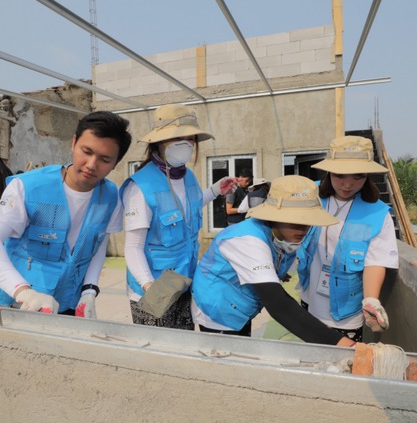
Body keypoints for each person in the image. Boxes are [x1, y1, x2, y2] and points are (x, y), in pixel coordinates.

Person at [0, 111, 132, 316]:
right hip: (16, 304)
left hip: (67, 304)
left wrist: (89, 290)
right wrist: (23, 292)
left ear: (116, 162)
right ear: (73, 143)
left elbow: (98, 246)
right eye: (86, 151)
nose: (91, 164)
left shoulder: (110, 196)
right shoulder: (29, 187)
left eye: (105, 159)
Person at [191, 175, 357, 347]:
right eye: (295, 220)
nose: (303, 228)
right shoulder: (248, 240)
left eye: (308, 221)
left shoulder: (283, 236)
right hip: (218, 307)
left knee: (241, 350)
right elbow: (279, 305)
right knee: (226, 359)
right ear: (274, 216)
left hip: (241, 304)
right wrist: (342, 343)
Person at [120, 104, 235, 330]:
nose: (185, 145)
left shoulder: (188, 176)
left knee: (184, 343)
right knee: (158, 352)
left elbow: (185, 209)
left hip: (185, 280)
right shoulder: (141, 187)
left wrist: (213, 191)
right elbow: (133, 247)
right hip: (153, 287)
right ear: (158, 142)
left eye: (190, 139)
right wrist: (149, 286)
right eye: (177, 138)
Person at [296, 136, 399, 343]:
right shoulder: (310, 197)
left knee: (340, 363)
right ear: (329, 171)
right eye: (340, 175)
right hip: (309, 296)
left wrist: (371, 299)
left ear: (367, 176)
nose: (348, 184)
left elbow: (376, 261)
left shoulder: (378, 214)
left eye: (358, 176)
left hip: (345, 311)